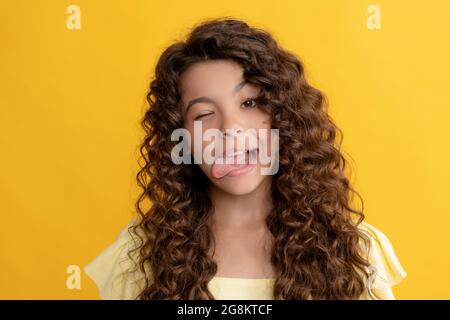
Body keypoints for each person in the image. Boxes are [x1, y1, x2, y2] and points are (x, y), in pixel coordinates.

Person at [84, 17, 407, 300]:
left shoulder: (354, 249)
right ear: (180, 137)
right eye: (204, 114)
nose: (230, 129)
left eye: (250, 104)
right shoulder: (139, 251)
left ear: (285, 115)